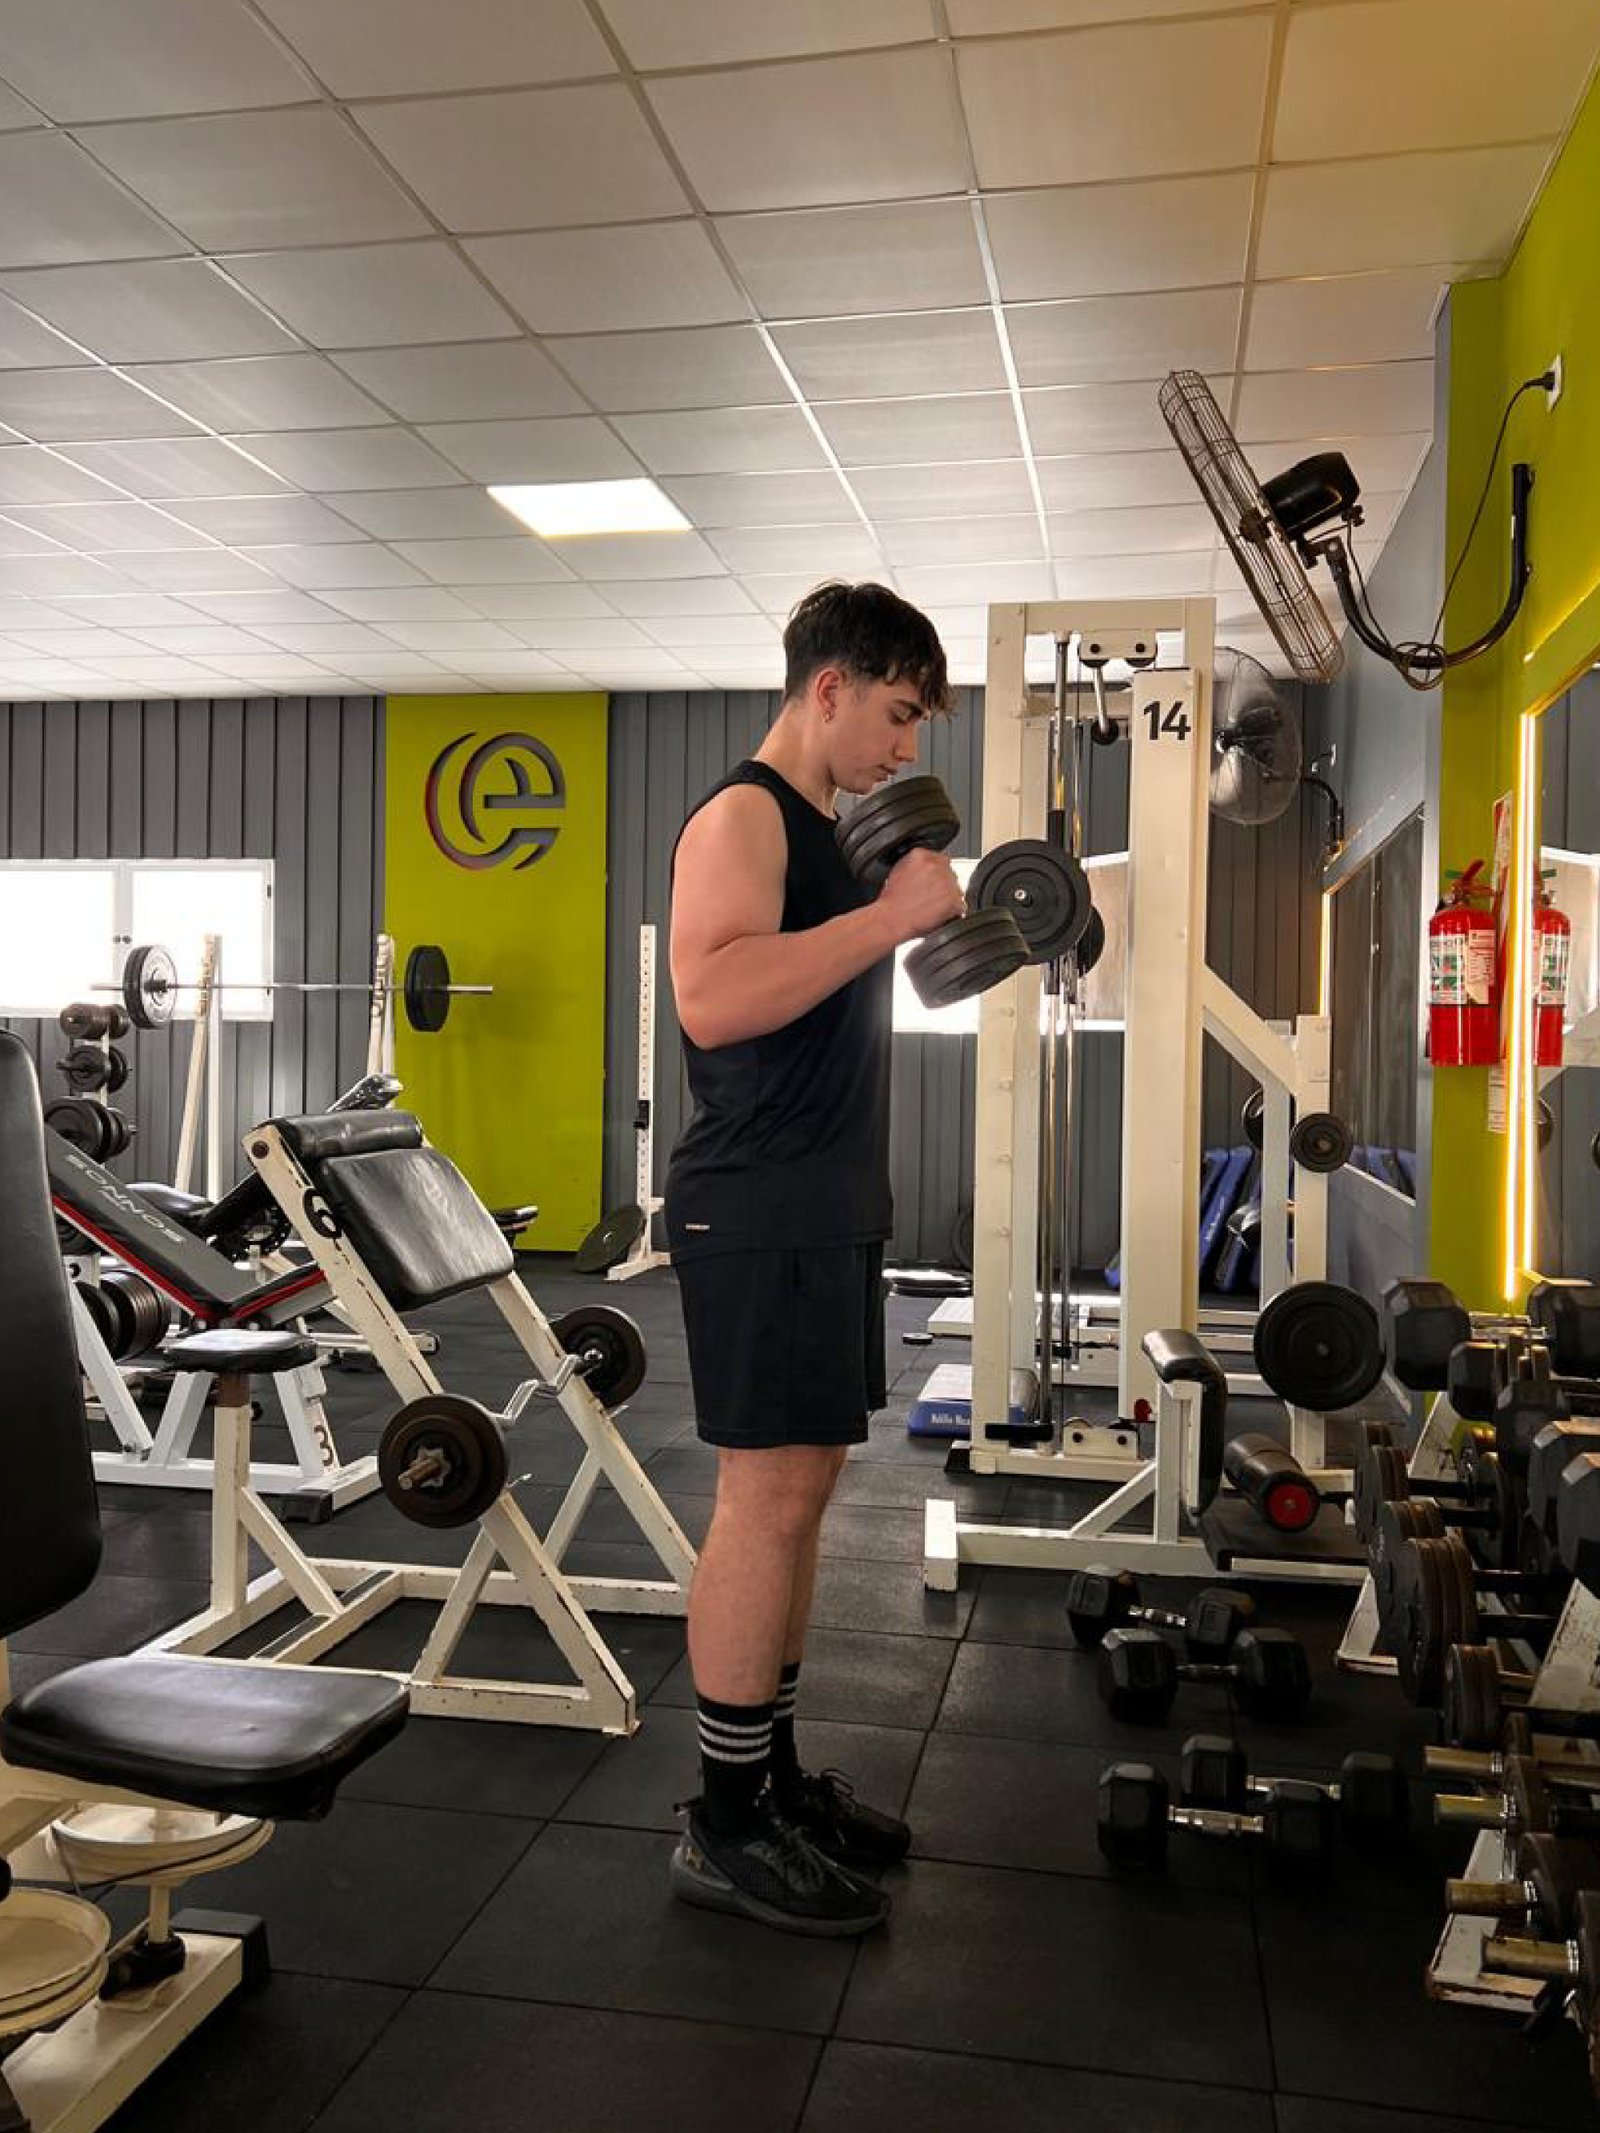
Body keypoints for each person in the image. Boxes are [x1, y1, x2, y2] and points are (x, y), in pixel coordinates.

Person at [663, 581, 964, 1936]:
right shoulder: (744, 816)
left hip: (826, 1202)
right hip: (760, 1204)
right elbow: (713, 998)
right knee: (762, 1503)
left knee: (806, 1497)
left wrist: (934, 920)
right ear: (828, 687)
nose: (905, 747)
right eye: (897, 714)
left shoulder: (835, 838)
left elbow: (842, 984)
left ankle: (770, 1777)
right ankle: (726, 1822)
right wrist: (888, 920)